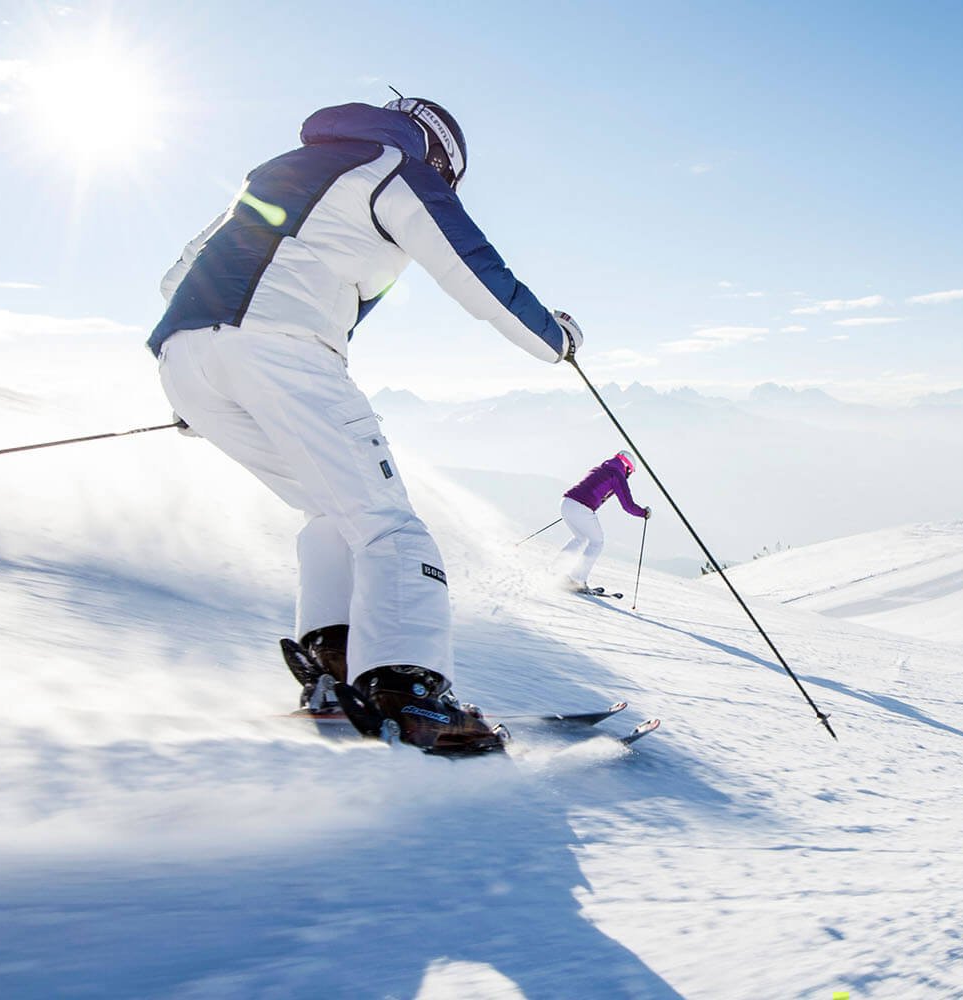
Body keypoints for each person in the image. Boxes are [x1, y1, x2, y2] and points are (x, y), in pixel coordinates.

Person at [150, 97, 584, 754]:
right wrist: (555, 338)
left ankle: (335, 670)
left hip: (185, 354)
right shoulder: (395, 169)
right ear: (438, 155)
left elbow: (179, 272)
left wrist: (207, 373)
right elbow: (474, 269)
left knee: (332, 512)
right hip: (283, 351)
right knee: (388, 524)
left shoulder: (278, 170)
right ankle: (411, 698)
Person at [557, 451, 651, 592]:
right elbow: (628, 505)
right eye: (629, 473)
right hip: (580, 508)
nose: (628, 476)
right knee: (597, 542)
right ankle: (576, 580)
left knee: (580, 538)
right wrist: (644, 512)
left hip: (566, 503)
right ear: (626, 467)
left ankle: (554, 571)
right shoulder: (617, 474)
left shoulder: (601, 469)